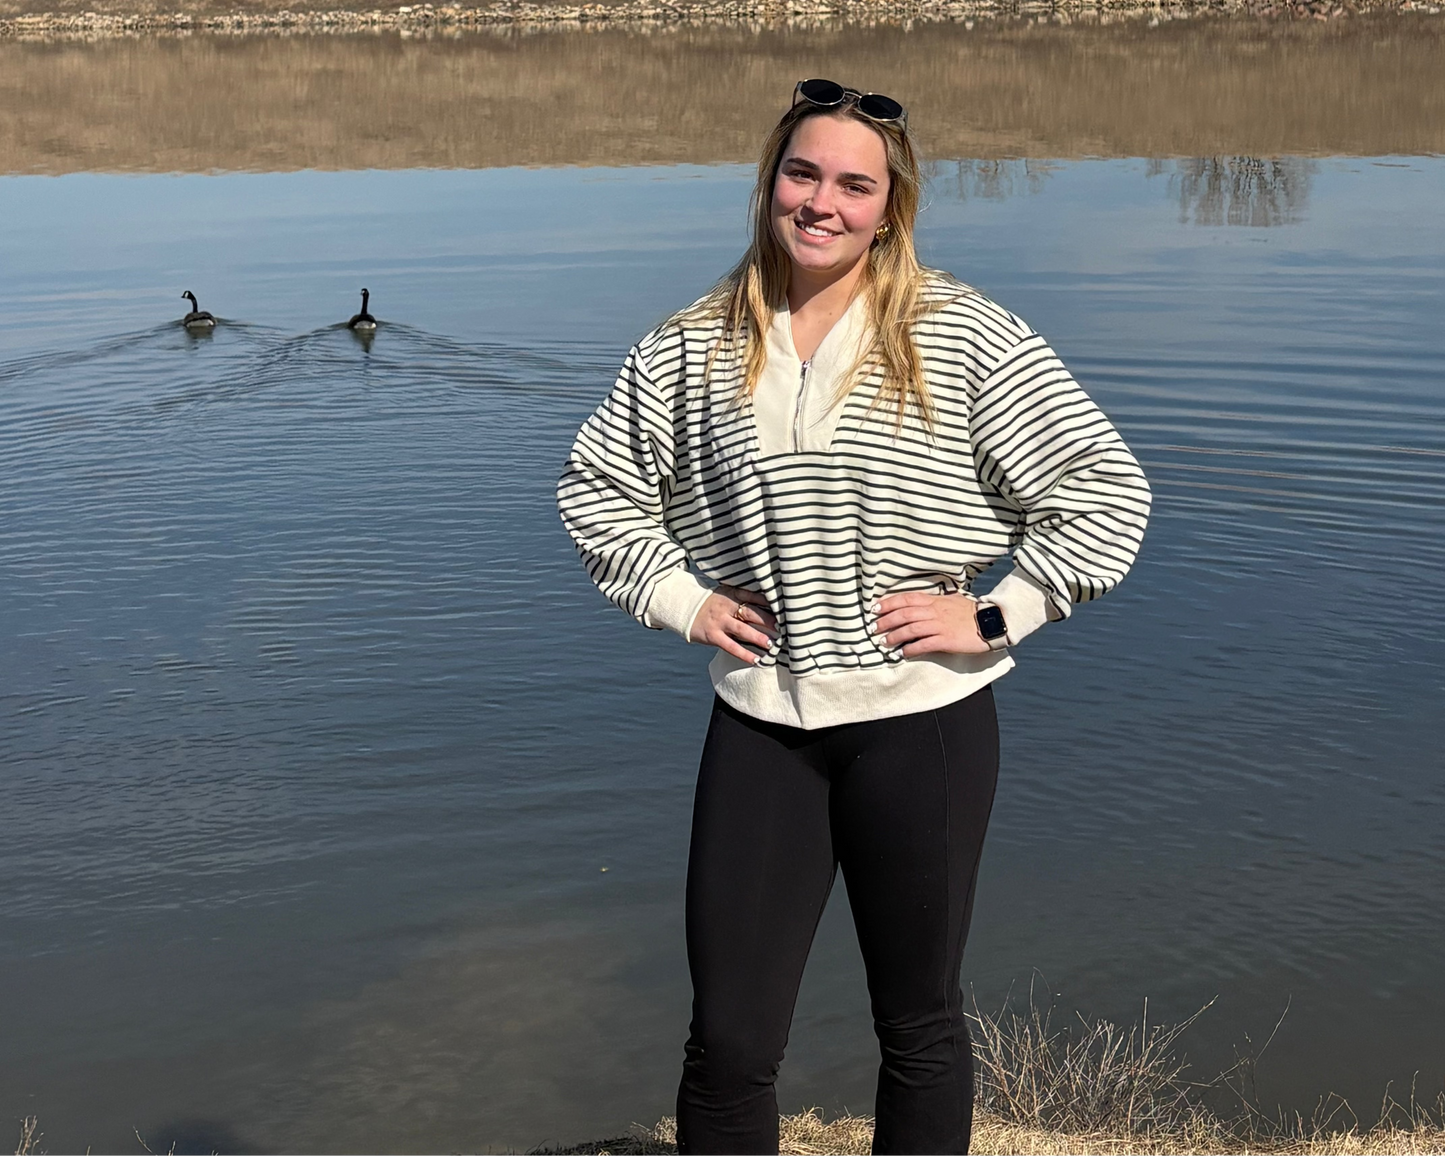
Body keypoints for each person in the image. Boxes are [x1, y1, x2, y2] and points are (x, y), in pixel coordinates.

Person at [557, 79, 1151, 1156]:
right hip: (760, 726)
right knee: (729, 1041)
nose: (820, 202)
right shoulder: (688, 347)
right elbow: (597, 489)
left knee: (916, 1021)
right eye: (800, 173)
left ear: (891, 206)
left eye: (851, 184)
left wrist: (996, 610)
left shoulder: (963, 334)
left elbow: (1103, 491)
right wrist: (680, 598)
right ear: (767, 184)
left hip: (916, 724)